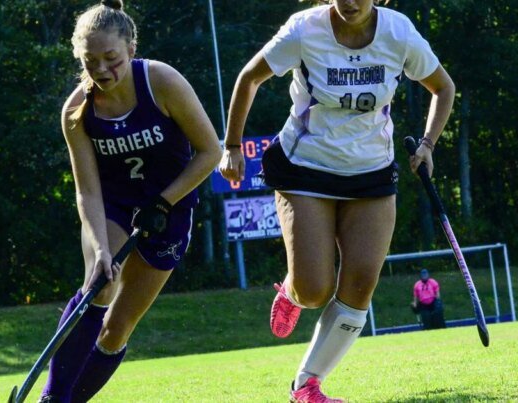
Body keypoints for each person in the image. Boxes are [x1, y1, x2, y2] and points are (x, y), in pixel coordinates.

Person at [219, 0, 454, 401]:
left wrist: (429, 144)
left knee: (360, 285)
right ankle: (292, 291)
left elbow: (442, 87)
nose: (349, 2)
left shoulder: (399, 33)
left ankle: (306, 384)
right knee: (314, 290)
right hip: (305, 169)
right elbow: (249, 78)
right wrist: (233, 146)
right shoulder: (303, 29)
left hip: (371, 174)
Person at [39, 1, 221, 402]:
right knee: (99, 284)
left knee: (116, 329)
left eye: (111, 59)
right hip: (115, 210)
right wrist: (103, 248)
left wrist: (164, 201)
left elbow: (210, 152)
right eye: (91, 62)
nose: (102, 70)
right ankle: (53, 397)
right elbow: (87, 191)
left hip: (168, 211)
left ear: (131, 50)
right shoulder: (76, 112)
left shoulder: (161, 82)